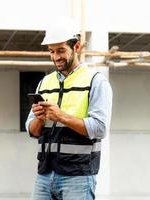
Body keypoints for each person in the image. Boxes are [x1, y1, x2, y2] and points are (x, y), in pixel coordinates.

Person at [26, 17, 112, 200]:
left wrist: (61, 116)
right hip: (44, 174)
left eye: (61, 51)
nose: (56, 57)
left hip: (78, 176)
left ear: (77, 47)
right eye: (51, 51)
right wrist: (40, 119)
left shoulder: (96, 82)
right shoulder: (44, 83)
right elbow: (32, 131)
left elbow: (100, 128)